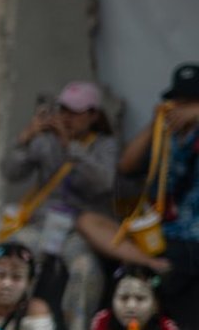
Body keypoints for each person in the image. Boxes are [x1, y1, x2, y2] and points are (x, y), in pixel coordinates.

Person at [0, 81, 117, 330]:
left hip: (80, 229)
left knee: (86, 269)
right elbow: (10, 172)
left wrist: (72, 148)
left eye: (75, 112)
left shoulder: (104, 145)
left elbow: (103, 183)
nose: (66, 116)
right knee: (10, 257)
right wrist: (25, 138)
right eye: (63, 109)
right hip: (42, 225)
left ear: (93, 115)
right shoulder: (45, 139)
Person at [75, 64, 199, 316]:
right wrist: (155, 124)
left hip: (193, 238)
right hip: (155, 235)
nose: (181, 109)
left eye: (190, 101)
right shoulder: (166, 135)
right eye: (179, 101)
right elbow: (126, 166)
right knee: (88, 221)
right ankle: (152, 264)